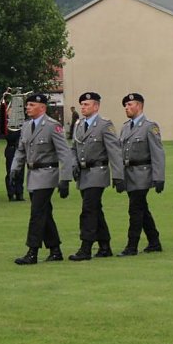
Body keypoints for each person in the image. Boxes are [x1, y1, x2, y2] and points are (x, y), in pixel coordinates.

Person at [9, 93, 75, 265]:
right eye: (27, 105)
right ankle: (55, 250)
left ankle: (32, 251)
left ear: (42, 107)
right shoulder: (26, 126)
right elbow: (21, 150)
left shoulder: (52, 126)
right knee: (45, 213)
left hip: (47, 174)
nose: (27, 108)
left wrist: (65, 179)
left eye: (31, 105)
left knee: (37, 213)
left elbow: (64, 153)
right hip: (32, 175)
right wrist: (15, 169)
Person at [68, 92, 124, 261]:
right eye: (82, 104)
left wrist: (118, 176)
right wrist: (73, 164)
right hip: (83, 173)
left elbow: (114, 151)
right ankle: (105, 246)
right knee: (96, 210)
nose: (83, 107)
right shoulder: (79, 124)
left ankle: (85, 248)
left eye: (86, 104)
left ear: (96, 106)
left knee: (88, 210)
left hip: (97, 172)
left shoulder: (104, 125)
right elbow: (73, 148)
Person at [117, 93, 166, 256]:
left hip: (142, 174)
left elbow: (158, 153)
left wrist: (159, 177)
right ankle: (154, 241)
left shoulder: (149, 127)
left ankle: (132, 246)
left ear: (139, 105)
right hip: (128, 174)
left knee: (135, 209)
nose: (126, 108)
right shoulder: (125, 127)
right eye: (125, 105)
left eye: (130, 105)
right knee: (142, 209)